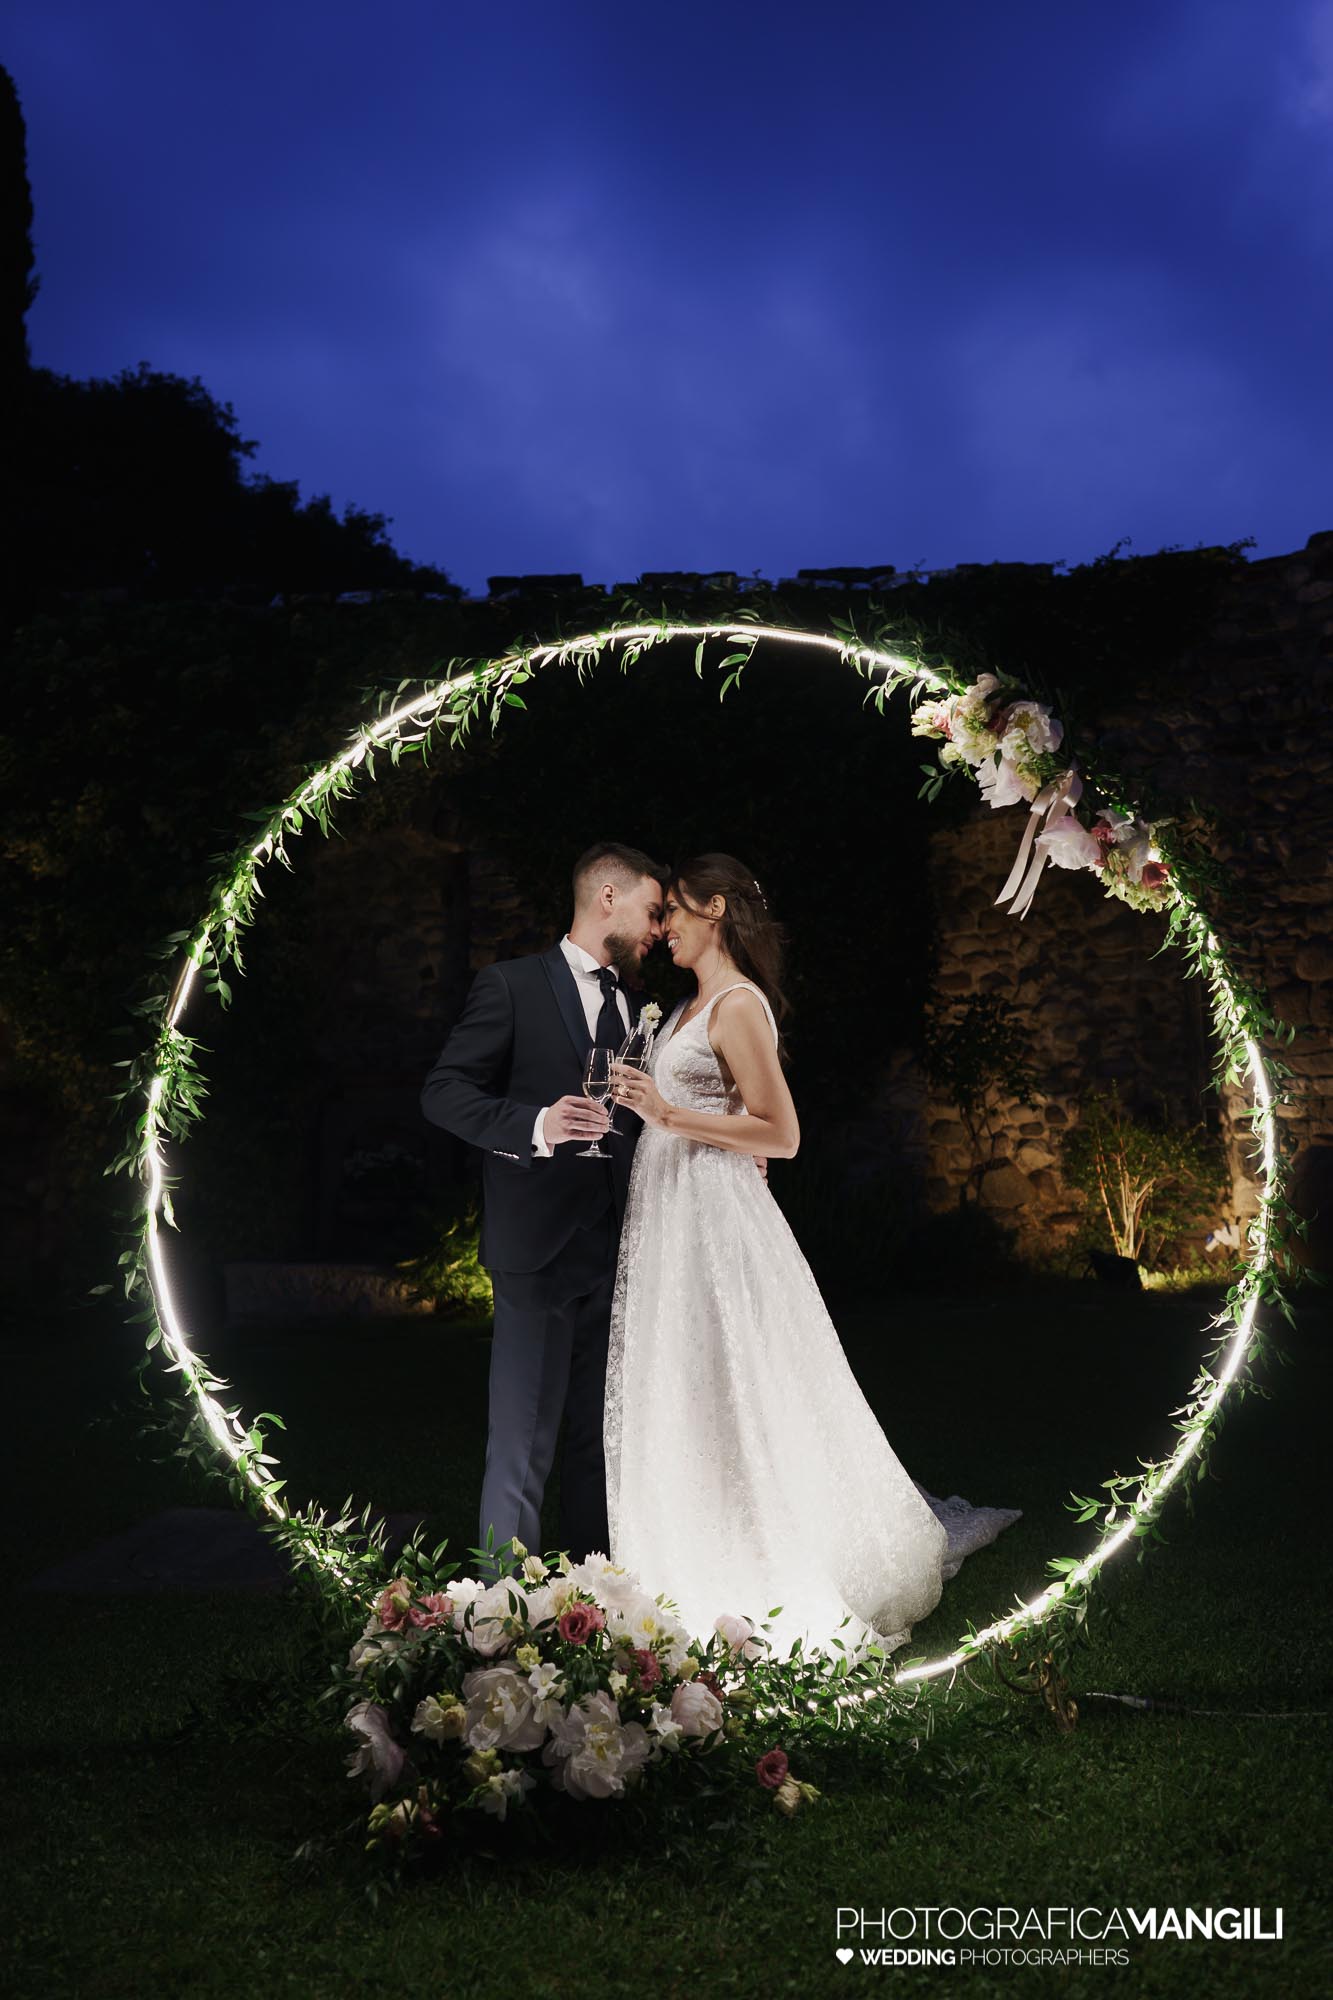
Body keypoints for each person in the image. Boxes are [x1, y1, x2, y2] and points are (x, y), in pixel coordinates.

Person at [606, 853, 1021, 1657]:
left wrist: (667, 1113)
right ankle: (689, 1547)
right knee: (686, 1380)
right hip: (670, 1215)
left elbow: (782, 1133)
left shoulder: (736, 1005)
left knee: (738, 1380)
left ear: (715, 908)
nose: (663, 932)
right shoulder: (687, 1007)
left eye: (676, 916)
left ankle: (766, 1555)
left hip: (714, 1220)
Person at [419, 842, 665, 1568]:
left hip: (618, 1248)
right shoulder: (511, 985)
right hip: (535, 1251)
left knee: (598, 1443)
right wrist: (535, 1125)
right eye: (653, 911)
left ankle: (596, 1606)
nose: (658, 929)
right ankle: (503, 1609)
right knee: (522, 1442)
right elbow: (444, 1092)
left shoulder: (640, 1008)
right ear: (607, 898)